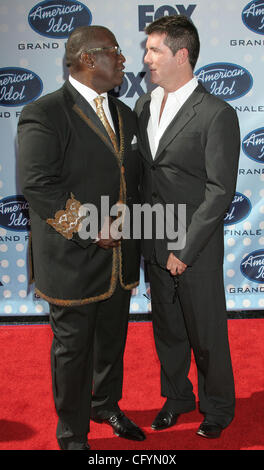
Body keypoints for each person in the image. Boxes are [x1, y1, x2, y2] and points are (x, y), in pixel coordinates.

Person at [18, 25, 145, 450]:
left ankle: (105, 405)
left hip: (121, 260)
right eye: (117, 52)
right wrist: (91, 229)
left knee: (112, 340)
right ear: (89, 59)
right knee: (72, 352)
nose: (125, 60)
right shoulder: (45, 112)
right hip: (72, 260)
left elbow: (131, 179)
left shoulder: (126, 113)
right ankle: (72, 434)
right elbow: (38, 185)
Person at [135, 15, 240, 439]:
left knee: (206, 330)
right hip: (153, 238)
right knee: (168, 329)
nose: (146, 59)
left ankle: (218, 407)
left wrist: (185, 247)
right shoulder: (143, 105)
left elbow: (220, 191)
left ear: (182, 55)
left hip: (194, 245)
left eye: (154, 50)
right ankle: (177, 397)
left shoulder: (217, 114)